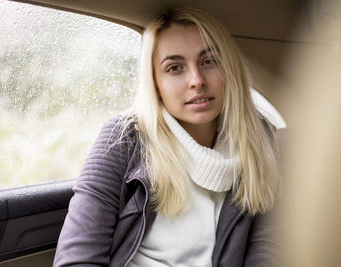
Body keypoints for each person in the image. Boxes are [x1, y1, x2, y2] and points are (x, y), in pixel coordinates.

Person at [53, 7, 280, 267]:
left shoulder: (258, 139)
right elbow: (78, 259)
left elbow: (266, 248)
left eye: (209, 61)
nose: (196, 80)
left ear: (230, 69)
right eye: (174, 68)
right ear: (155, 83)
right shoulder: (123, 139)